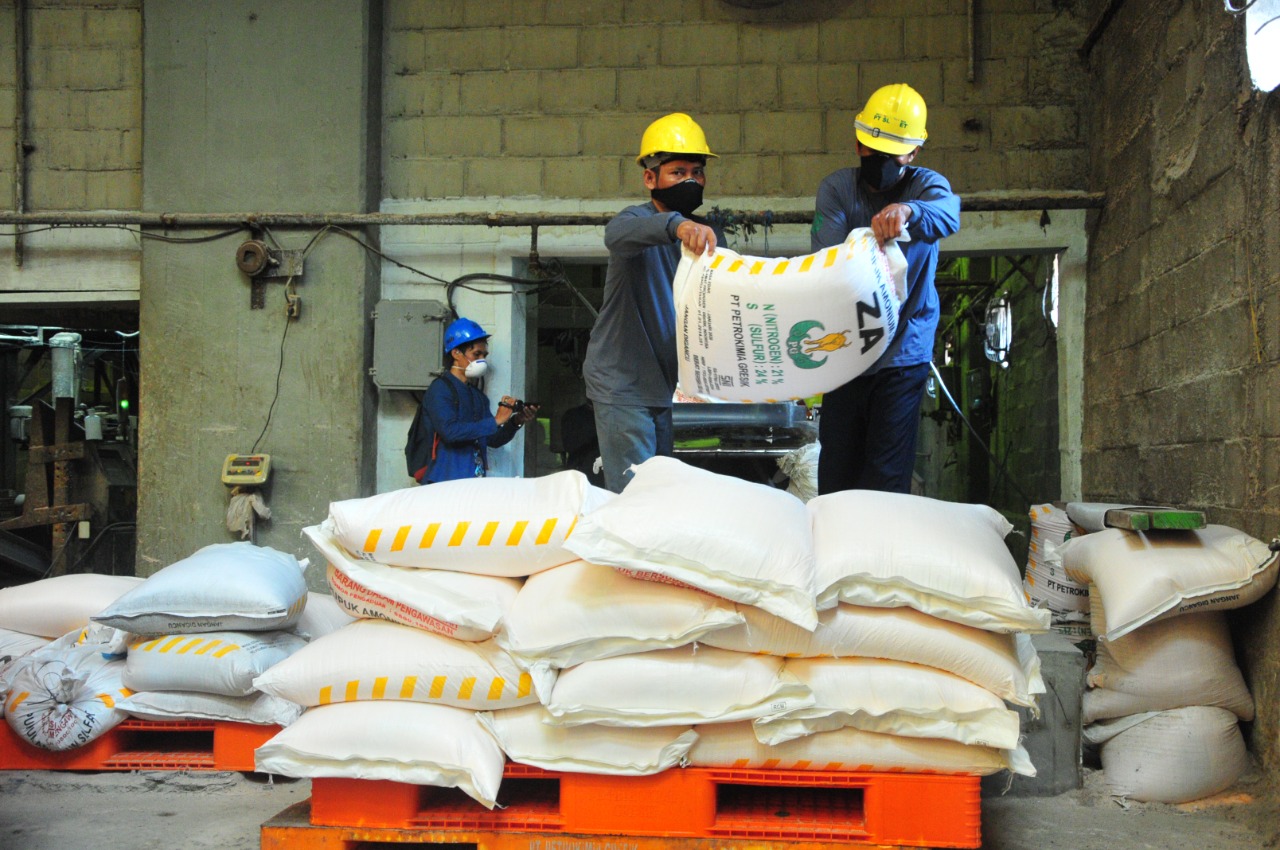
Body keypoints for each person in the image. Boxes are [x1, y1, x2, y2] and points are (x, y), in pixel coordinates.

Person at [809, 83, 961, 495]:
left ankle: (877, 557)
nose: (881, 160)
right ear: (858, 146)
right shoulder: (838, 189)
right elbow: (832, 260)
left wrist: (907, 210)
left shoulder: (926, 186)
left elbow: (948, 215)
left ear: (912, 154)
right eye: (873, 149)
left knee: (885, 478)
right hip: (846, 352)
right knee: (837, 474)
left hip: (902, 353)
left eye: (893, 151)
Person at [582, 113, 725, 493]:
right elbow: (617, 235)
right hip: (623, 385)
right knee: (635, 498)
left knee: (662, 494)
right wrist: (676, 226)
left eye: (697, 171)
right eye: (678, 172)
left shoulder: (707, 236)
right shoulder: (638, 222)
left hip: (666, 389)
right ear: (650, 178)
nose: (691, 180)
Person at [417, 317, 538, 483]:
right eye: (476, 354)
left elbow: (492, 439)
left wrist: (516, 421)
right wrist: (495, 421)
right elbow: (450, 432)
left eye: (484, 355)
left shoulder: (477, 396)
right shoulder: (440, 389)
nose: (482, 359)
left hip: (473, 482)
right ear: (456, 353)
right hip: (445, 482)